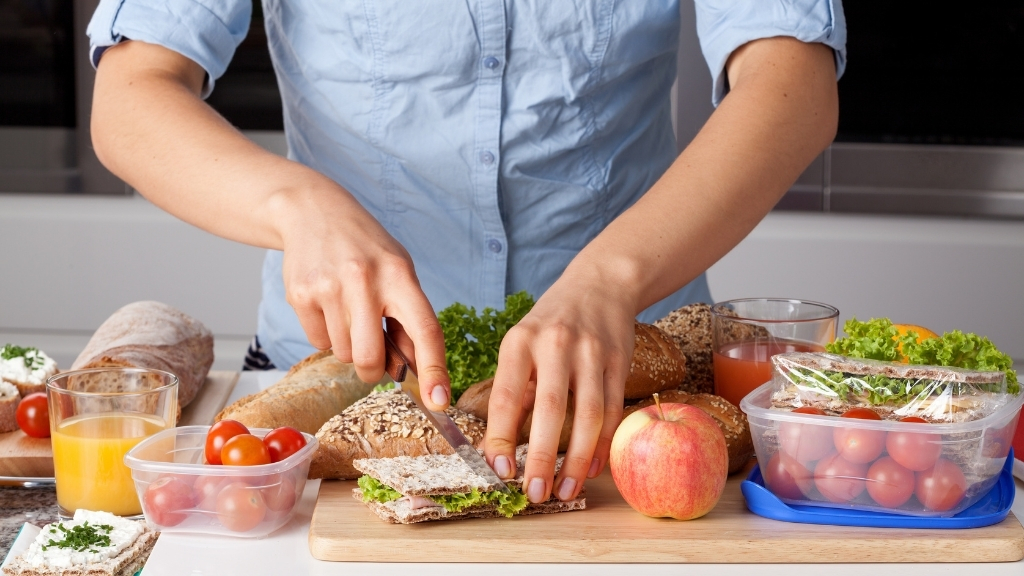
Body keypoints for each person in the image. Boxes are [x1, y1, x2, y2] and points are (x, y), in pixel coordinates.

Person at [87, 0, 845, 506]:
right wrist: (297, 206)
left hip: (623, 411)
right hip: (336, 397)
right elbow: (131, 95)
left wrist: (613, 277)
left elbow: (793, 81)